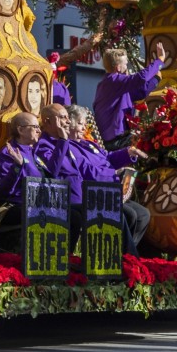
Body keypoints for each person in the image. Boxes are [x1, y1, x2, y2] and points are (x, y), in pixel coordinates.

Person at [38, 103, 150, 254]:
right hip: (82, 197)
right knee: (127, 214)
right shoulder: (49, 145)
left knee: (142, 214)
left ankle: (122, 257)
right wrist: (113, 174)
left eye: (67, 118)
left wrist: (128, 153)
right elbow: (59, 170)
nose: (67, 122)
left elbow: (106, 159)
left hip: (102, 192)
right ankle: (125, 259)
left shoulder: (86, 143)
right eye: (63, 118)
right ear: (48, 121)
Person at [93, 41, 166, 149]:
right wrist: (159, 61)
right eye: (126, 64)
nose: (127, 67)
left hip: (115, 138)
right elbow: (141, 78)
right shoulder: (114, 81)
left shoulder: (112, 83)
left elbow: (140, 92)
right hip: (114, 140)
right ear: (118, 67)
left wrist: (156, 78)